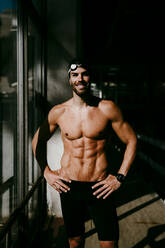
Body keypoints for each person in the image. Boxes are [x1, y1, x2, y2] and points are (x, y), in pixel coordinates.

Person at [32, 58, 137, 248]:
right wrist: (46, 172)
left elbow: (131, 140)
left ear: (90, 78)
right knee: (75, 241)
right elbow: (38, 140)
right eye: (75, 75)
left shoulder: (107, 108)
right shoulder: (58, 112)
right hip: (70, 186)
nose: (80, 79)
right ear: (69, 79)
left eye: (84, 74)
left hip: (101, 186)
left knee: (109, 244)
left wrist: (120, 177)